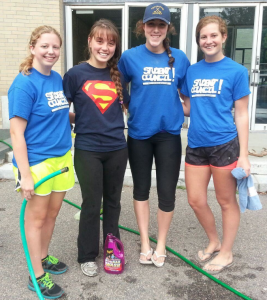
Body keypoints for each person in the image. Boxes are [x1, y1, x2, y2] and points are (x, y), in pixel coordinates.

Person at [118, 3, 190, 267]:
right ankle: (145, 243)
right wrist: (128, 106)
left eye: (161, 25)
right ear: (143, 27)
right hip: (138, 134)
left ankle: (160, 244)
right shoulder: (129, 57)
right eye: (151, 24)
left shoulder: (180, 58)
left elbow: (188, 96)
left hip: (169, 135)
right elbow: (119, 85)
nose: (156, 30)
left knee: (167, 192)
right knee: (141, 189)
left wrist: (180, 108)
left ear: (167, 28)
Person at [8, 26, 75, 298]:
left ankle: (44, 257)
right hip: (36, 162)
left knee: (52, 214)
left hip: (61, 158)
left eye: (55, 47)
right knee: (35, 220)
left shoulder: (56, 77)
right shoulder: (24, 83)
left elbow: (59, 115)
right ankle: (36, 275)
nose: (51, 51)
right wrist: (25, 175)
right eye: (45, 46)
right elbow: (16, 132)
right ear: (33, 47)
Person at [181, 16, 251, 274]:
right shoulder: (192, 71)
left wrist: (244, 155)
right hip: (196, 144)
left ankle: (227, 252)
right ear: (199, 41)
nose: (208, 41)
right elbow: (188, 108)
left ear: (223, 37)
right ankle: (214, 240)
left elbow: (241, 114)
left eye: (213, 35)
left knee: (225, 201)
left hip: (224, 144)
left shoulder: (237, 71)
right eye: (203, 37)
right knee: (196, 200)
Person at [63, 19, 129, 277]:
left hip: (116, 148)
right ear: (90, 42)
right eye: (100, 41)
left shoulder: (119, 75)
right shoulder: (75, 75)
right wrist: (79, 120)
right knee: (92, 203)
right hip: (88, 148)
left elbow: (127, 107)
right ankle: (87, 255)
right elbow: (60, 110)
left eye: (111, 42)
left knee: (113, 202)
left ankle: (112, 249)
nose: (105, 47)